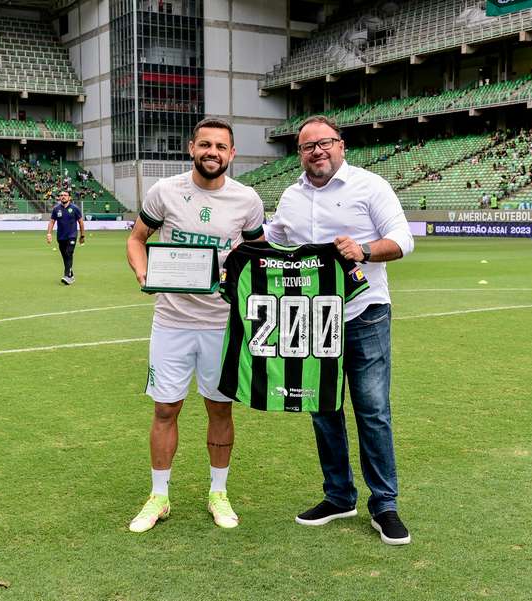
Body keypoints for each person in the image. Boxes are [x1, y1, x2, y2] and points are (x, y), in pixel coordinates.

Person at [266, 115, 414, 546]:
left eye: (325, 143)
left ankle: (384, 503)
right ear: (300, 153)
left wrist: (364, 249)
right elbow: (270, 241)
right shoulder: (291, 197)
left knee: (372, 411)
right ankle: (339, 496)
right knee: (323, 410)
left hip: (365, 313)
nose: (318, 151)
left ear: (341, 145)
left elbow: (403, 239)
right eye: (308, 146)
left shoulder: (370, 186)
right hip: (313, 320)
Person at [125, 117, 264, 533]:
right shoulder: (164, 192)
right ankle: (159, 496)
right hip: (171, 321)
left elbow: (258, 256)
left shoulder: (247, 200)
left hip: (222, 325)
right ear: (191, 148)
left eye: (221, 147)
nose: (212, 153)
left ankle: (218, 492)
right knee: (165, 407)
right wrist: (144, 273)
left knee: (219, 407)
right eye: (205, 145)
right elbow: (136, 240)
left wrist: (239, 279)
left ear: (232, 154)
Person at [45, 191, 85, 285]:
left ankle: (66, 275)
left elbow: (81, 222)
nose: (63, 197)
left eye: (65, 195)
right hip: (61, 237)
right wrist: (49, 234)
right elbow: (52, 222)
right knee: (65, 257)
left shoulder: (75, 209)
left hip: (72, 236)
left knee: (69, 253)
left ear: (69, 198)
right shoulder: (56, 209)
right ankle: (71, 275)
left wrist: (82, 235)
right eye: (61, 195)